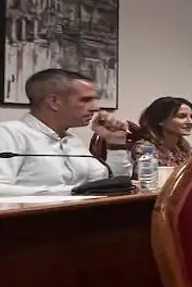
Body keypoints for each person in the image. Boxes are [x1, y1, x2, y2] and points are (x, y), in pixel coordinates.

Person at [0, 68, 132, 196]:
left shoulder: (72, 141)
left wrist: (115, 144)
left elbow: (111, 185)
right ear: (54, 102)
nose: (95, 108)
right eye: (85, 100)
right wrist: (72, 192)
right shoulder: (9, 134)